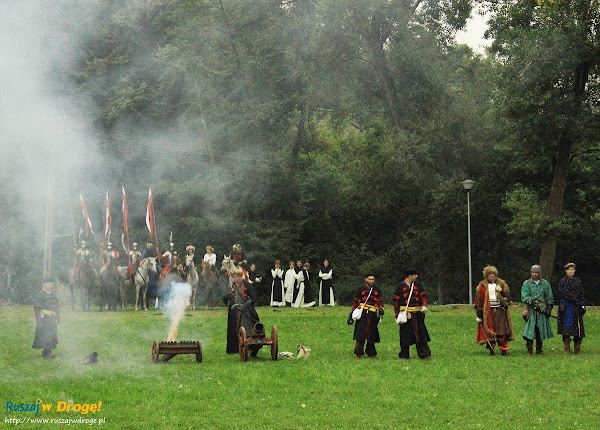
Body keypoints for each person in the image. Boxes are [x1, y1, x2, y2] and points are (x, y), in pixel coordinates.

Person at [392, 268, 431, 359]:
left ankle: (424, 354)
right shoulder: (400, 287)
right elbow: (396, 302)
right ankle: (404, 355)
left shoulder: (418, 285)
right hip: (406, 314)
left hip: (417, 314)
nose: (416, 276)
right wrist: (397, 315)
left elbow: (423, 296)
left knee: (420, 334)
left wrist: (424, 305)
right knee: (405, 335)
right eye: (415, 274)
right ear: (409, 275)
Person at [474, 265, 513, 356]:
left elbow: (508, 299)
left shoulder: (502, 284)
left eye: (493, 274)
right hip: (488, 311)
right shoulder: (482, 287)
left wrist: (502, 292)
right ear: (486, 275)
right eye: (490, 274)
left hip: (499, 310)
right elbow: (478, 301)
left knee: (501, 331)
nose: (492, 276)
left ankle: (503, 349)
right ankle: (491, 347)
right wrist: (479, 315)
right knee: (489, 330)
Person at [347, 272, 384, 359]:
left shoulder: (377, 289)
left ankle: (371, 352)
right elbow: (356, 302)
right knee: (360, 334)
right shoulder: (360, 289)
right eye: (369, 279)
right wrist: (351, 315)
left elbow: (380, 301)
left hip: (373, 314)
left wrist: (381, 309)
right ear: (365, 279)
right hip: (362, 313)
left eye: (373, 279)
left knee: (372, 333)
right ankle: (358, 353)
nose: (371, 281)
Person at [223, 269, 260, 354]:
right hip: (234, 311)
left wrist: (245, 306)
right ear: (233, 278)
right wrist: (227, 297)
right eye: (236, 277)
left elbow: (253, 298)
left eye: (240, 276)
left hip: (246, 310)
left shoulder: (247, 285)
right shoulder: (230, 287)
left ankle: (251, 346)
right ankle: (234, 349)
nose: (238, 278)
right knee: (233, 329)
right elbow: (225, 300)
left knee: (249, 327)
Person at [521, 264, 554, 354]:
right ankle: (529, 349)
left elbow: (550, 298)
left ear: (539, 273)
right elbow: (524, 296)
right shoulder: (526, 283)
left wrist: (548, 309)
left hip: (541, 309)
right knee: (530, 329)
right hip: (531, 310)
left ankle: (539, 349)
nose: (534, 274)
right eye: (533, 272)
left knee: (540, 329)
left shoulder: (545, 284)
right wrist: (531, 302)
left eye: (536, 272)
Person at [557, 263, 586, 354]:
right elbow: (564, 293)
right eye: (569, 269)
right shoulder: (563, 281)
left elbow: (581, 293)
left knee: (578, 327)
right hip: (566, 307)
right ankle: (567, 348)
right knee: (566, 327)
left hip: (577, 307)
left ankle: (577, 347)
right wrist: (575, 301)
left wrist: (582, 304)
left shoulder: (578, 281)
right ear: (566, 271)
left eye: (572, 269)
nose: (571, 271)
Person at [33, 281, 60, 359]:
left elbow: (57, 307)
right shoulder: (39, 295)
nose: (50, 286)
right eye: (48, 284)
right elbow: (37, 309)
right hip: (44, 319)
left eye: (52, 284)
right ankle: (48, 353)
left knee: (52, 335)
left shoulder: (53, 295)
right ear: (44, 284)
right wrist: (39, 321)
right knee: (45, 335)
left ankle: (46, 352)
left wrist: (58, 318)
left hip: (52, 319)